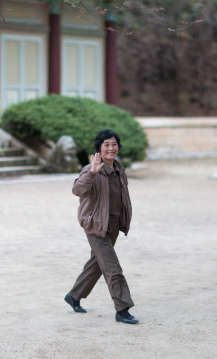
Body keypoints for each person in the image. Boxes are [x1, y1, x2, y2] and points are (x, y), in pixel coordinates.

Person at [64, 129, 139, 324]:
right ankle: (122, 309)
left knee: (97, 263)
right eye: (106, 145)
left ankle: (74, 295)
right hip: (95, 225)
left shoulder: (119, 169)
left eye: (114, 144)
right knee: (113, 268)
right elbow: (77, 190)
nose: (111, 148)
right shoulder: (92, 169)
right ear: (99, 148)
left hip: (112, 224)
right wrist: (91, 173)